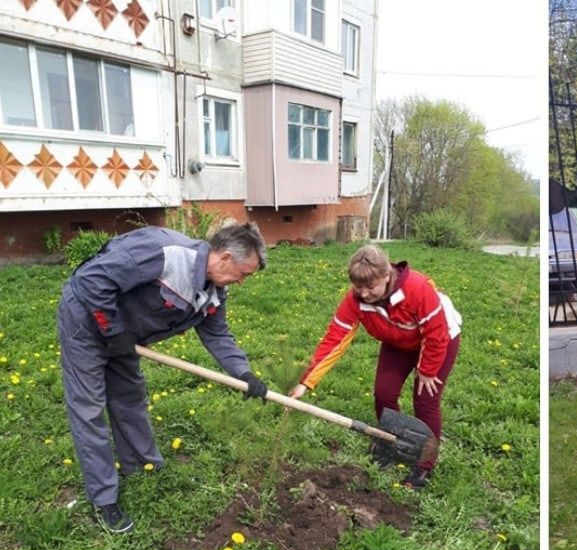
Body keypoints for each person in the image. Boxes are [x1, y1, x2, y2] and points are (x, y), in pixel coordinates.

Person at [58, 223, 270, 533]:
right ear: (225, 257)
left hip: (124, 329)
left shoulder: (215, 292)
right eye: (243, 273)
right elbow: (92, 281)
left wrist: (244, 372)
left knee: (129, 396)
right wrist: (109, 328)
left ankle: (142, 466)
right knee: (88, 407)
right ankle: (104, 498)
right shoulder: (165, 252)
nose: (241, 282)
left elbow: (217, 334)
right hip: (86, 318)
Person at [289, 244, 461, 490]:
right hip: (398, 342)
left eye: (371, 287)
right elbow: (335, 338)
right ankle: (388, 443)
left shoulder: (418, 289)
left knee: (425, 398)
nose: (365, 293)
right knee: (384, 393)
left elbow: (436, 333)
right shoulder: (355, 300)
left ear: (387, 275)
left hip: (439, 339)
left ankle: (424, 464)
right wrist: (306, 382)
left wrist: (427, 370)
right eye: (358, 287)